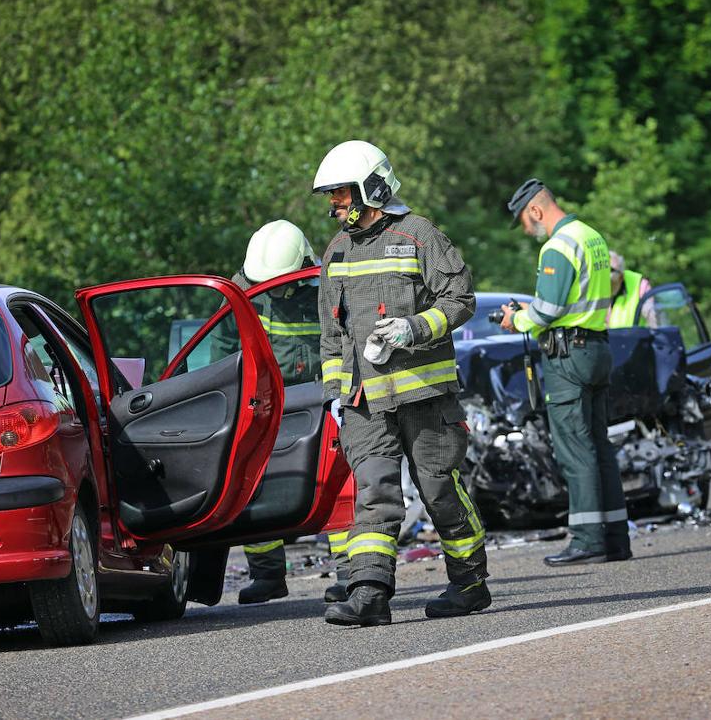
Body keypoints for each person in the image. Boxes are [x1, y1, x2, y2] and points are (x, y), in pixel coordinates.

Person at [314, 140, 490, 627]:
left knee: (437, 490)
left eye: (341, 194)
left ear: (371, 188)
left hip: (424, 394)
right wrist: (336, 394)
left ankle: (470, 583)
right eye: (332, 196)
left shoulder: (419, 235)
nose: (335, 204)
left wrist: (415, 327)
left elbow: (460, 297)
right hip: (364, 401)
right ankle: (369, 593)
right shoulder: (337, 252)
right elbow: (331, 333)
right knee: (373, 491)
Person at [216, 220, 354, 605]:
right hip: (266, 406)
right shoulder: (243, 293)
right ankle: (268, 575)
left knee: (337, 481)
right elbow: (223, 352)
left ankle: (349, 569)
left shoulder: (323, 286)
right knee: (258, 484)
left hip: (321, 400)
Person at [499, 179, 631, 566]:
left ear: (536, 211)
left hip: (568, 357)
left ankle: (587, 539)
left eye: (525, 220)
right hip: (596, 347)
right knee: (599, 444)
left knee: (576, 448)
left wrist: (515, 319)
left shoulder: (557, 246)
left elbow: (547, 311)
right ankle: (615, 538)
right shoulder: (592, 236)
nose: (527, 229)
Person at [606, 251, 653, 328]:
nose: (605, 273)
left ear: (621, 276)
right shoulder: (592, 287)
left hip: (634, 339)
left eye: (610, 269)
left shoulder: (640, 286)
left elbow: (653, 319)